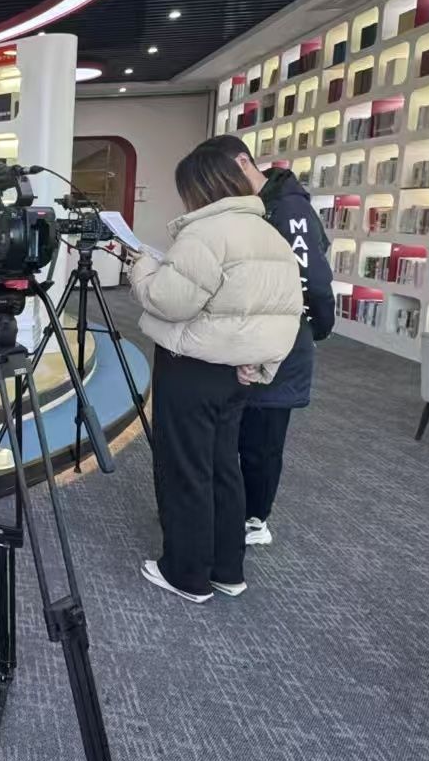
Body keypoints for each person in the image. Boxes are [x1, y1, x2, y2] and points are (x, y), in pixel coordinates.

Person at [127, 144, 303, 604]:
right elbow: (284, 312)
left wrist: (142, 266)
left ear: (199, 187)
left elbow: (168, 300)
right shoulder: (269, 234)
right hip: (237, 375)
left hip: (192, 368)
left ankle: (186, 574)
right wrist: (262, 365)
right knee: (224, 468)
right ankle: (227, 568)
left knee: (186, 468)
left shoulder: (205, 233)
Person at [200, 135, 334, 547]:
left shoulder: (289, 209)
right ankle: (231, 510)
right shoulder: (255, 208)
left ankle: (255, 518)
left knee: (262, 439)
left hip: (283, 343)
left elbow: (312, 281)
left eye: (220, 180)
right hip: (250, 340)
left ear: (243, 162)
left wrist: (317, 328)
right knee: (238, 434)